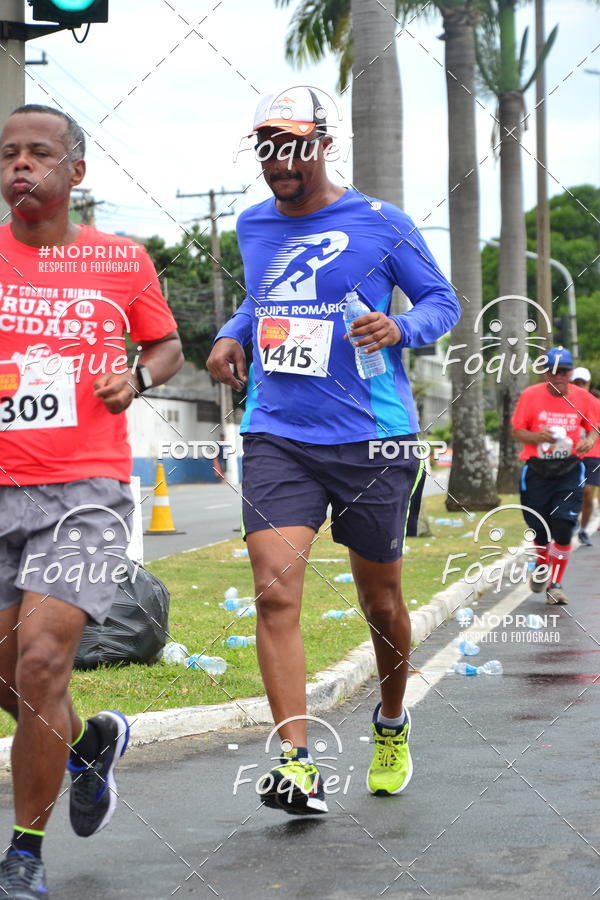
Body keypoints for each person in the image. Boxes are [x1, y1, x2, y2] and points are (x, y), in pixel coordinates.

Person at [207, 86, 460, 814]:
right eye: (266, 146)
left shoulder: (381, 223)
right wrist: (232, 330)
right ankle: (296, 762)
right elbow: (264, 298)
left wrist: (399, 329)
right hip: (278, 430)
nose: (278, 160)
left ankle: (390, 720)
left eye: (292, 144)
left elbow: (442, 302)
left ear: (323, 143)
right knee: (274, 587)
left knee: (379, 600)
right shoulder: (254, 223)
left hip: (373, 436)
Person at [0, 105, 183, 898]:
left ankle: (24, 855)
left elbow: (166, 343)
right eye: (8, 154)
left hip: (85, 493)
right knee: (11, 679)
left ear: (75, 171)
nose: (19, 167)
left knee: (42, 663)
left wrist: (138, 377)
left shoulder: (121, 261)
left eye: (38, 154)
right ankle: (86, 749)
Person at [512, 348, 599, 606]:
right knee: (539, 526)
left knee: (563, 526)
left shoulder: (583, 398)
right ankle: (541, 563)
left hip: (569, 469)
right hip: (537, 470)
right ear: (545, 372)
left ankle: (555, 584)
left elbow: (593, 427)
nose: (559, 376)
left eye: (564, 371)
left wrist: (589, 441)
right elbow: (517, 431)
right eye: (554, 371)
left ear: (571, 372)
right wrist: (538, 437)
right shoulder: (530, 396)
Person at [570, 367, 600, 545]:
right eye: (576, 382)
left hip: (593, 454)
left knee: (587, 491)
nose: (580, 386)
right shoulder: (565, 402)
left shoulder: (595, 404)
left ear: (588, 384)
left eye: (583, 382)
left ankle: (583, 529)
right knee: (571, 491)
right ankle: (571, 520)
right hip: (570, 454)